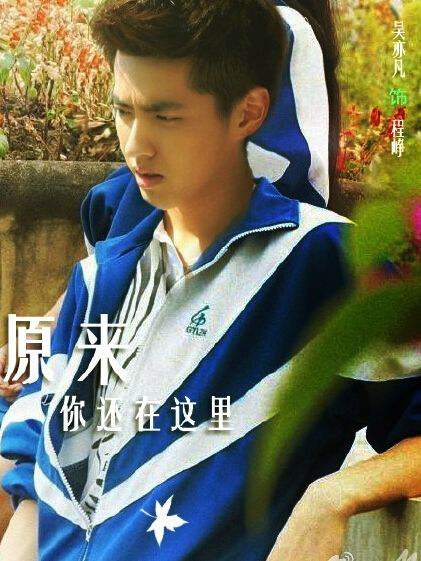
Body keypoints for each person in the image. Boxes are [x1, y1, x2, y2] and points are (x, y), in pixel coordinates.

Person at [0, 2, 420, 561]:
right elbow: (45, 486)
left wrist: (332, 497)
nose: (136, 146)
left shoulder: (324, 263)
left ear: (249, 113)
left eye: (166, 116)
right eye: (124, 112)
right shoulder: (100, 277)